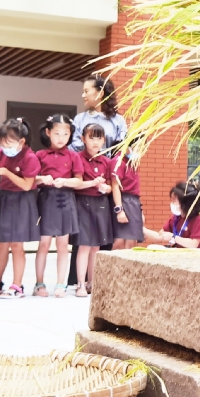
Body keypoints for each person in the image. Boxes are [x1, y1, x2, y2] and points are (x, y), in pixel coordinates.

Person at [0, 118, 40, 299]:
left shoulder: (30, 157)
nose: (5, 146)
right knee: (2, 244)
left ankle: (17, 285)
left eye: (9, 143)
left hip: (22, 201)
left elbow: (27, 185)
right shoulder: (2, 152)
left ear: (21, 141)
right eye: (2, 143)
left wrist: (6, 172)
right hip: (6, 199)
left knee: (17, 245)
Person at [34, 115, 83, 298]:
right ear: (48, 132)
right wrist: (41, 178)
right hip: (46, 200)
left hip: (66, 200)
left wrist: (66, 181)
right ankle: (39, 283)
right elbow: (32, 179)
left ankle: (61, 283)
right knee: (44, 244)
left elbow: (78, 181)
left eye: (65, 133)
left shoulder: (73, 156)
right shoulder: (40, 155)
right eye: (56, 133)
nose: (61, 138)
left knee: (63, 245)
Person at [75, 123, 122, 296]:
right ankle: (80, 283)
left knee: (96, 247)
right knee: (84, 246)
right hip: (83, 204)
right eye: (91, 137)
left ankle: (92, 283)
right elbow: (76, 184)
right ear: (83, 139)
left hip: (101, 205)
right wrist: (92, 184)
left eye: (99, 138)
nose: (96, 142)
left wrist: (106, 188)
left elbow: (111, 187)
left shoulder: (107, 161)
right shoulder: (77, 158)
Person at [143, 181, 200, 248]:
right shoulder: (175, 218)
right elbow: (160, 236)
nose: (172, 203)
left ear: (185, 204)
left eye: (174, 200)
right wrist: (142, 229)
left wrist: (173, 237)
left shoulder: (197, 220)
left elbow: (193, 244)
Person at [112, 149, 144, 249]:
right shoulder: (119, 161)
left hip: (134, 202)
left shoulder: (132, 162)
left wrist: (140, 210)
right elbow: (115, 186)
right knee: (119, 240)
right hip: (123, 200)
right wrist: (119, 210)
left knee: (132, 240)